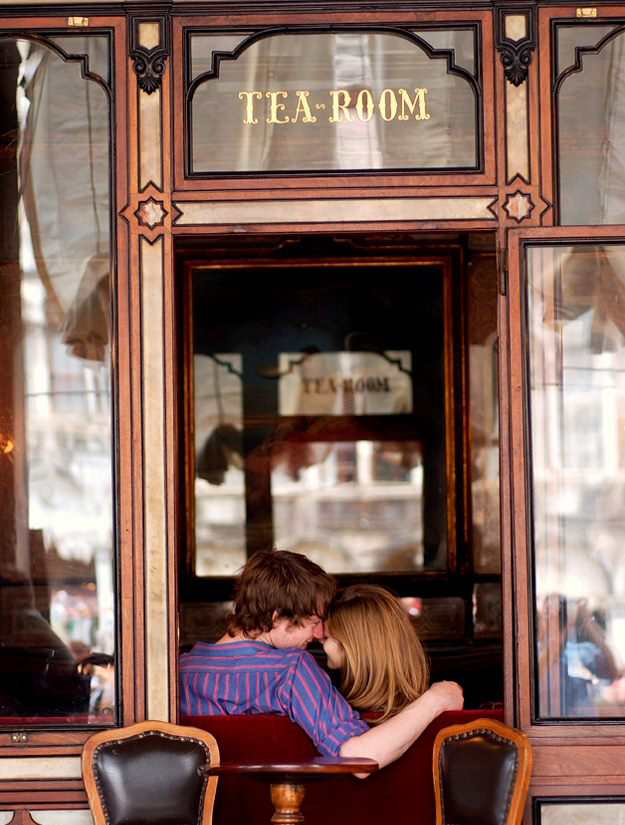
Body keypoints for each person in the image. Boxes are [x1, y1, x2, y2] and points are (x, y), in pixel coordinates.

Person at [180, 549, 463, 770]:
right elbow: (360, 758)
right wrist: (435, 699)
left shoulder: (178, 670)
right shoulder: (291, 669)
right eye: (313, 622)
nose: (318, 634)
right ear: (277, 618)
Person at [323, 584, 429, 724]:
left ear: (353, 646)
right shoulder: (420, 712)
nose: (320, 641)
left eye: (327, 637)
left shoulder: (340, 718)